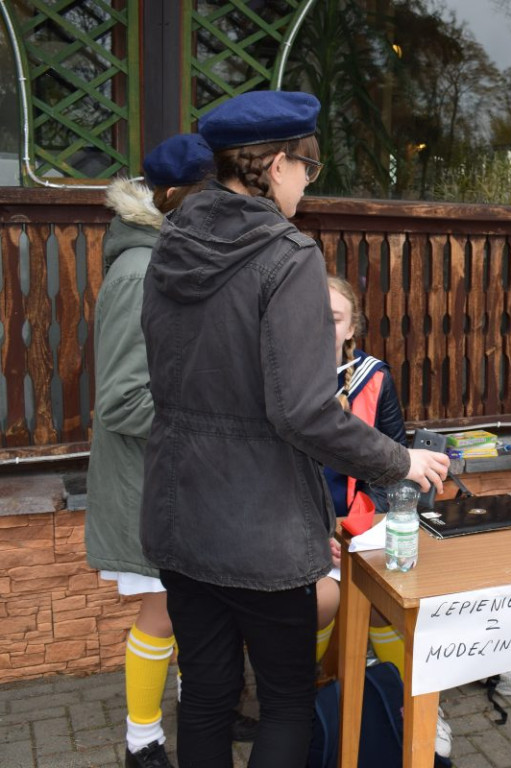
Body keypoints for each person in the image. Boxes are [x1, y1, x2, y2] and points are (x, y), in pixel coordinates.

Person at [138, 90, 448, 767]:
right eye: (309, 165)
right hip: (261, 527)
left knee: (208, 694)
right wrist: (398, 460)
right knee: (282, 699)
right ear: (276, 165)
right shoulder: (288, 256)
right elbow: (303, 411)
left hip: (180, 510)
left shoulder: (170, 243)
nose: (309, 182)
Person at [85, 133, 256, 768]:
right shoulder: (138, 272)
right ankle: (142, 742)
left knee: (193, 610)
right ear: (172, 198)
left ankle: (200, 711)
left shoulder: (173, 255)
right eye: (208, 197)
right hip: (150, 482)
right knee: (163, 610)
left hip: (185, 474)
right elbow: (124, 402)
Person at [315, 275, 452, 759]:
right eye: (314, 315)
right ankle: (308, 698)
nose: (324, 327)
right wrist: (317, 535)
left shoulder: (374, 376)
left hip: (362, 524)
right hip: (302, 532)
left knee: (393, 597)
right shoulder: (284, 377)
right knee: (320, 601)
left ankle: (410, 703)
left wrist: (379, 528)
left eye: (334, 318)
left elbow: (394, 465)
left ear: (352, 327)